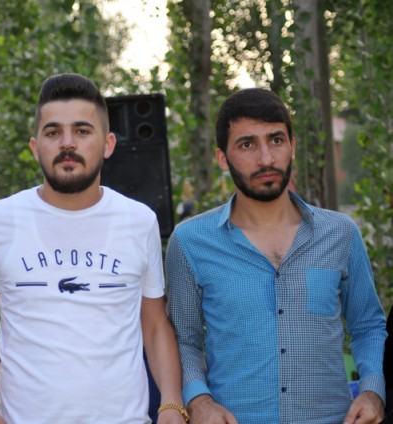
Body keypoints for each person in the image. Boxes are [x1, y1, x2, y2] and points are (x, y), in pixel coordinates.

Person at [0, 73, 187, 424]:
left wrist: (171, 403)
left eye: (82, 131)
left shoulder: (139, 221)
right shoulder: (0, 220)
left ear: (108, 144)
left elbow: (155, 324)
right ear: (35, 147)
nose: (67, 144)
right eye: (53, 133)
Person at [165, 87, 386, 423]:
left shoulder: (340, 233)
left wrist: (372, 391)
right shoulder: (190, 242)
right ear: (222, 158)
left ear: (292, 146)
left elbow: (368, 325)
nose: (266, 159)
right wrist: (198, 400)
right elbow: (185, 340)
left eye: (276, 140)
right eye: (247, 144)